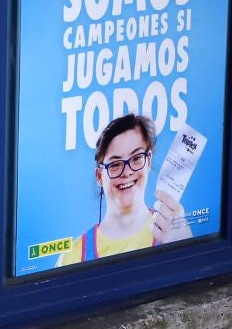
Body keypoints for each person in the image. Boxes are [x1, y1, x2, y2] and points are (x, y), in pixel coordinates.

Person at [54, 113, 192, 267]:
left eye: (136, 158)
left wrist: (187, 250)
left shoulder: (174, 232)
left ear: (149, 160)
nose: (127, 172)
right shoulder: (72, 257)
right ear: (99, 176)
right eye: (115, 164)